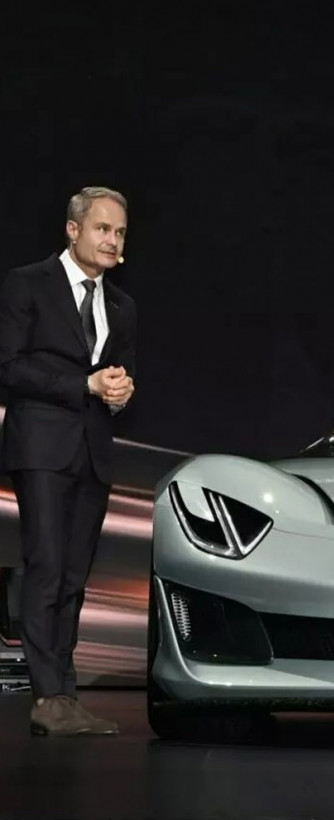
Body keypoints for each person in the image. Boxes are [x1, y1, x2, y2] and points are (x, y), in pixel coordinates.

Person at [0, 186, 137, 735]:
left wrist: (121, 391)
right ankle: (46, 695)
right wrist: (83, 384)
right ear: (73, 229)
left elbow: (118, 374)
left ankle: (64, 692)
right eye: (103, 229)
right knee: (47, 566)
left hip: (93, 450)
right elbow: (8, 366)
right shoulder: (27, 283)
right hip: (41, 445)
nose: (112, 240)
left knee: (76, 575)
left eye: (120, 232)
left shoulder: (123, 306)